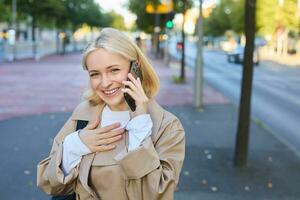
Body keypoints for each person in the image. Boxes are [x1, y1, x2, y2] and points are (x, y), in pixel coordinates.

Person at [37, 28, 185, 200]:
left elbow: (157, 195)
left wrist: (139, 128)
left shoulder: (167, 126)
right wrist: (74, 146)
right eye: (95, 74)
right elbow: (48, 183)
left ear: (135, 67)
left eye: (114, 70)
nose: (105, 83)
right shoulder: (83, 114)